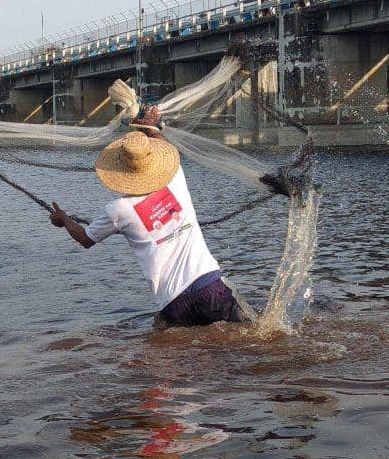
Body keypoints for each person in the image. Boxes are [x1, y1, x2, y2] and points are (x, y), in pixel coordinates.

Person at [49, 106, 257, 329]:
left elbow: (85, 238)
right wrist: (150, 123)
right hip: (210, 288)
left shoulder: (118, 210)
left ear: (120, 171)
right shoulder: (174, 176)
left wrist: (64, 219)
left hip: (174, 304)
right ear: (153, 160)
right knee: (255, 334)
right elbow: (160, 140)